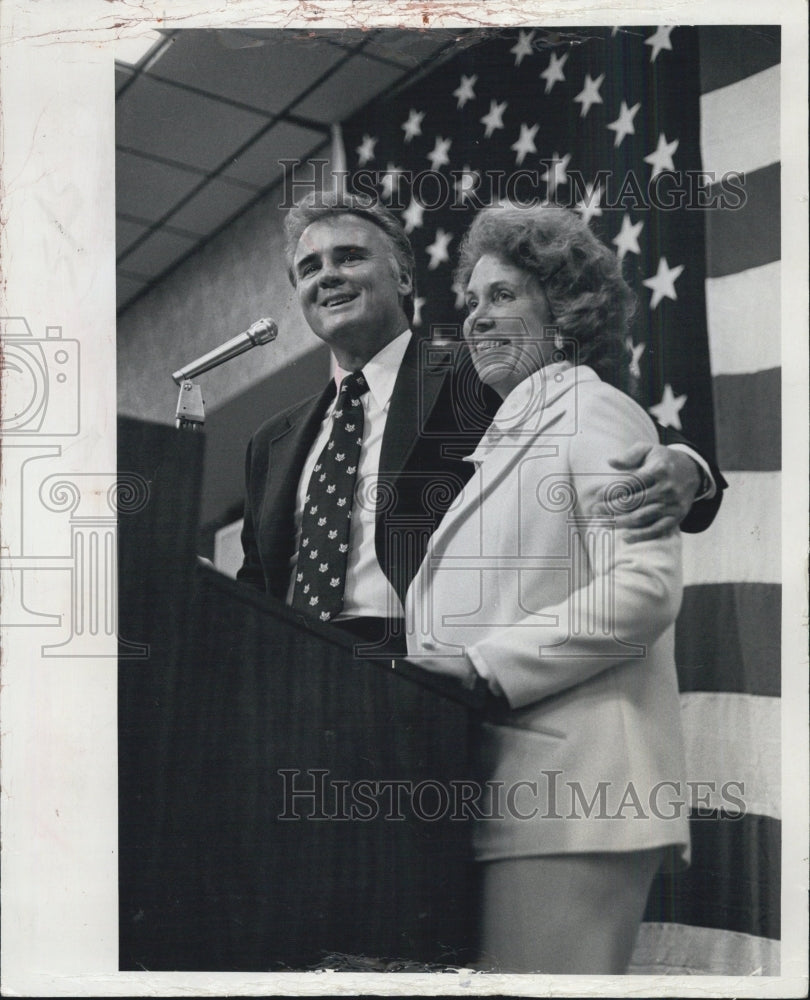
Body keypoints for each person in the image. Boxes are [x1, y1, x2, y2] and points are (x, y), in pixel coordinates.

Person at [237, 191, 724, 652]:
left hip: (420, 664)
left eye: (349, 257)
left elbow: (614, 422)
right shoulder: (270, 442)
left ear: (403, 278)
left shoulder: (484, 370)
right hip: (285, 673)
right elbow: (256, 586)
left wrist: (686, 468)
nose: (327, 275)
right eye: (309, 268)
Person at [405, 203, 693, 973]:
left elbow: (644, 587)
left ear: (564, 314)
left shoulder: (591, 409)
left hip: (578, 794)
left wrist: (482, 666)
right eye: (471, 301)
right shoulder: (505, 440)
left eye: (502, 296)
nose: (475, 318)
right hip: (518, 798)